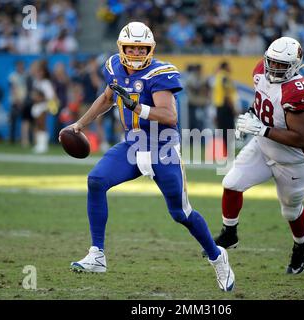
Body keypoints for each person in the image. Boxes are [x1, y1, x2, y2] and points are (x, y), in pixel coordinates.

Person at [60, 21, 235, 291]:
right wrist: (80, 124)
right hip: (132, 144)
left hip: (162, 147)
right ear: (122, 47)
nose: (136, 53)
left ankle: (217, 256)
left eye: (142, 49)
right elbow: (107, 98)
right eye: (132, 47)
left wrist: (138, 107)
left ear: (150, 50)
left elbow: (169, 115)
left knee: (180, 213)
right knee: (96, 180)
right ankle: (97, 254)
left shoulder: (159, 73)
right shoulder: (115, 67)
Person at [213, 37, 304, 275]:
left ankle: (302, 245)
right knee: (231, 184)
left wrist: (263, 129)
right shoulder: (260, 70)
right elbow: (261, 99)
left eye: (282, 65)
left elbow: (301, 137)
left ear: (295, 65)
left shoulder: (297, 91)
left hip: (293, 158)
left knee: (290, 211)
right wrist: (251, 115)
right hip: (262, 145)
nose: (275, 68)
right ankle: (230, 232)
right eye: (272, 62)